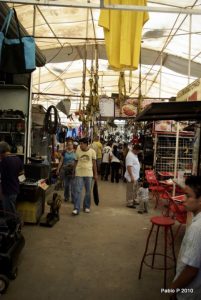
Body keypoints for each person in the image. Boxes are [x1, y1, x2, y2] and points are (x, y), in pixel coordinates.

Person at [169, 175, 201, 300]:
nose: (183, 199)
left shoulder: (197, 228)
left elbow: (191, 270)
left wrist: (172, 289)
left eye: (188, 196)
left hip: (188, 294)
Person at [73, 137, 97, 216]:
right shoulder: (77, 151)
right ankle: (76, 208)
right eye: (80, 144)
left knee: (88, 192)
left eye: (82, 144)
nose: (80, 145)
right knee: (78, 191)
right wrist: (73, 171)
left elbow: (94, 164)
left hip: (89, 174)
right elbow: (75, 162)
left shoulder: (92, 152)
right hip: (79, 173)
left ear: (86, 144)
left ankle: (86, 206)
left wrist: (96, 174)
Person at [0, 141, 23, 215]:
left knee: (9, 214)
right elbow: (21, 173)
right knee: (12, 210)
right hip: (15, 189)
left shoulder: (4, 161)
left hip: (8, 191)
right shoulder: (17, 159)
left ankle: (15, 224)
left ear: (2, 151)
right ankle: (16, 223)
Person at [124, 144, 141, 208]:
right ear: (135, 150)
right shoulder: (130, 155)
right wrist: (131, 176)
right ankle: (129, 203)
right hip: (131, 177)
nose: (138, 153)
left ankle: (134, 200)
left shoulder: (134, 154)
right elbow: (129, 166)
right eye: (138, 151)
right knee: (130, 190)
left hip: (135, 176)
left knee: (134, 190)